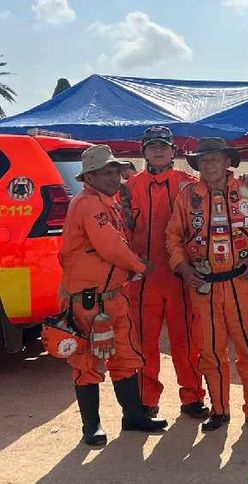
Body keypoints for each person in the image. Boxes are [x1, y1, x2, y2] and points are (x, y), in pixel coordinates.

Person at [59, 145, 167, 446]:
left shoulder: (107, 204)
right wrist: (140, 266)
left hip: (113, 297)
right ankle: (91, 426)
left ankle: (133, 416)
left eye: (115, 172)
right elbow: (111, 246)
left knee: (126, 357)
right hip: (89, 301)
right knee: (87, 362)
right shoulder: (88, 204)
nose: (113, 178)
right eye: (106, 173)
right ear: (89, 177)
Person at [166, 138, 248, 432]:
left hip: (240, 283)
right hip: (204, 286)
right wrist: (183, 267)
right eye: (204, 160)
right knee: (210, 350)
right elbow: (173, 236)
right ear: (197, 164)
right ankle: (219, 409)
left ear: (227, 162)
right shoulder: (188, 197)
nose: (209, 165)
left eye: (215, 159)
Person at [124, 126, 207, 420]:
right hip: (143, 280)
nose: (158, 151)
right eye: (152, 146)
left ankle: (192, 397)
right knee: (144, 342)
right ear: (143, 151)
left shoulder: (190, 185)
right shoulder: (129, 188)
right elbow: (119, 230)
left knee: (187, 341)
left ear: (173, 151)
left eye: (163, 146)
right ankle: (147, 399)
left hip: (180, 278)